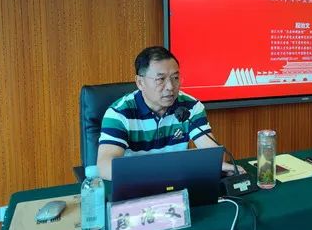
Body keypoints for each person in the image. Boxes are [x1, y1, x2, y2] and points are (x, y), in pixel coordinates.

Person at [96, 46, 241, 180]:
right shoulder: (119, 113)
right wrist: (157, 174)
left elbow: (212, 154)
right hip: (138, 185)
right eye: (161, 79)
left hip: (178, 184)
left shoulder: (190, 107)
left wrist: (218, 165)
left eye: (175, 78)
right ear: (140, 82)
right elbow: (105, 167)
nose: (170, 87)